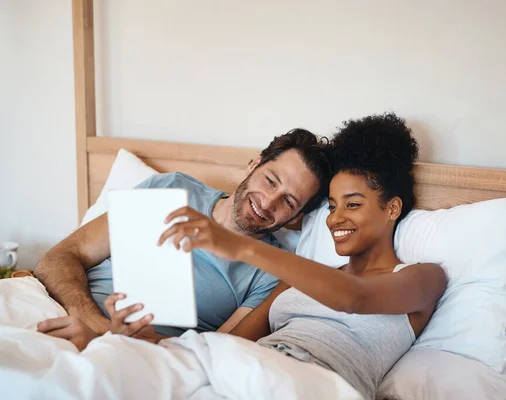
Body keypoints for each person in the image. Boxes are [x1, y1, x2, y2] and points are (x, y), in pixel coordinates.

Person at [105, 113, 447, 399]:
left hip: (313, 384)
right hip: (244, 369)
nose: (336, 218)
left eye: (353, 204)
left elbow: (354, 298)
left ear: (393, 208)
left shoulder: (423, 278)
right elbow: (226, 345)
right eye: (331, 206)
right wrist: (142, 343)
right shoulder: (297, 279)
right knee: (106, 375)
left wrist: (240, 246)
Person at [34, 128, 333, 349]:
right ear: (254, 165)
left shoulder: (270, 272)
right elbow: (59, 258)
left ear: (295, 218)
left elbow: (220, 351)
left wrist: (114, 341)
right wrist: (93, 323)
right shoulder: (171, 189)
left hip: (143, 353)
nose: (268, 203)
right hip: (59, 311)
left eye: (289, 202)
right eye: (270, 181)